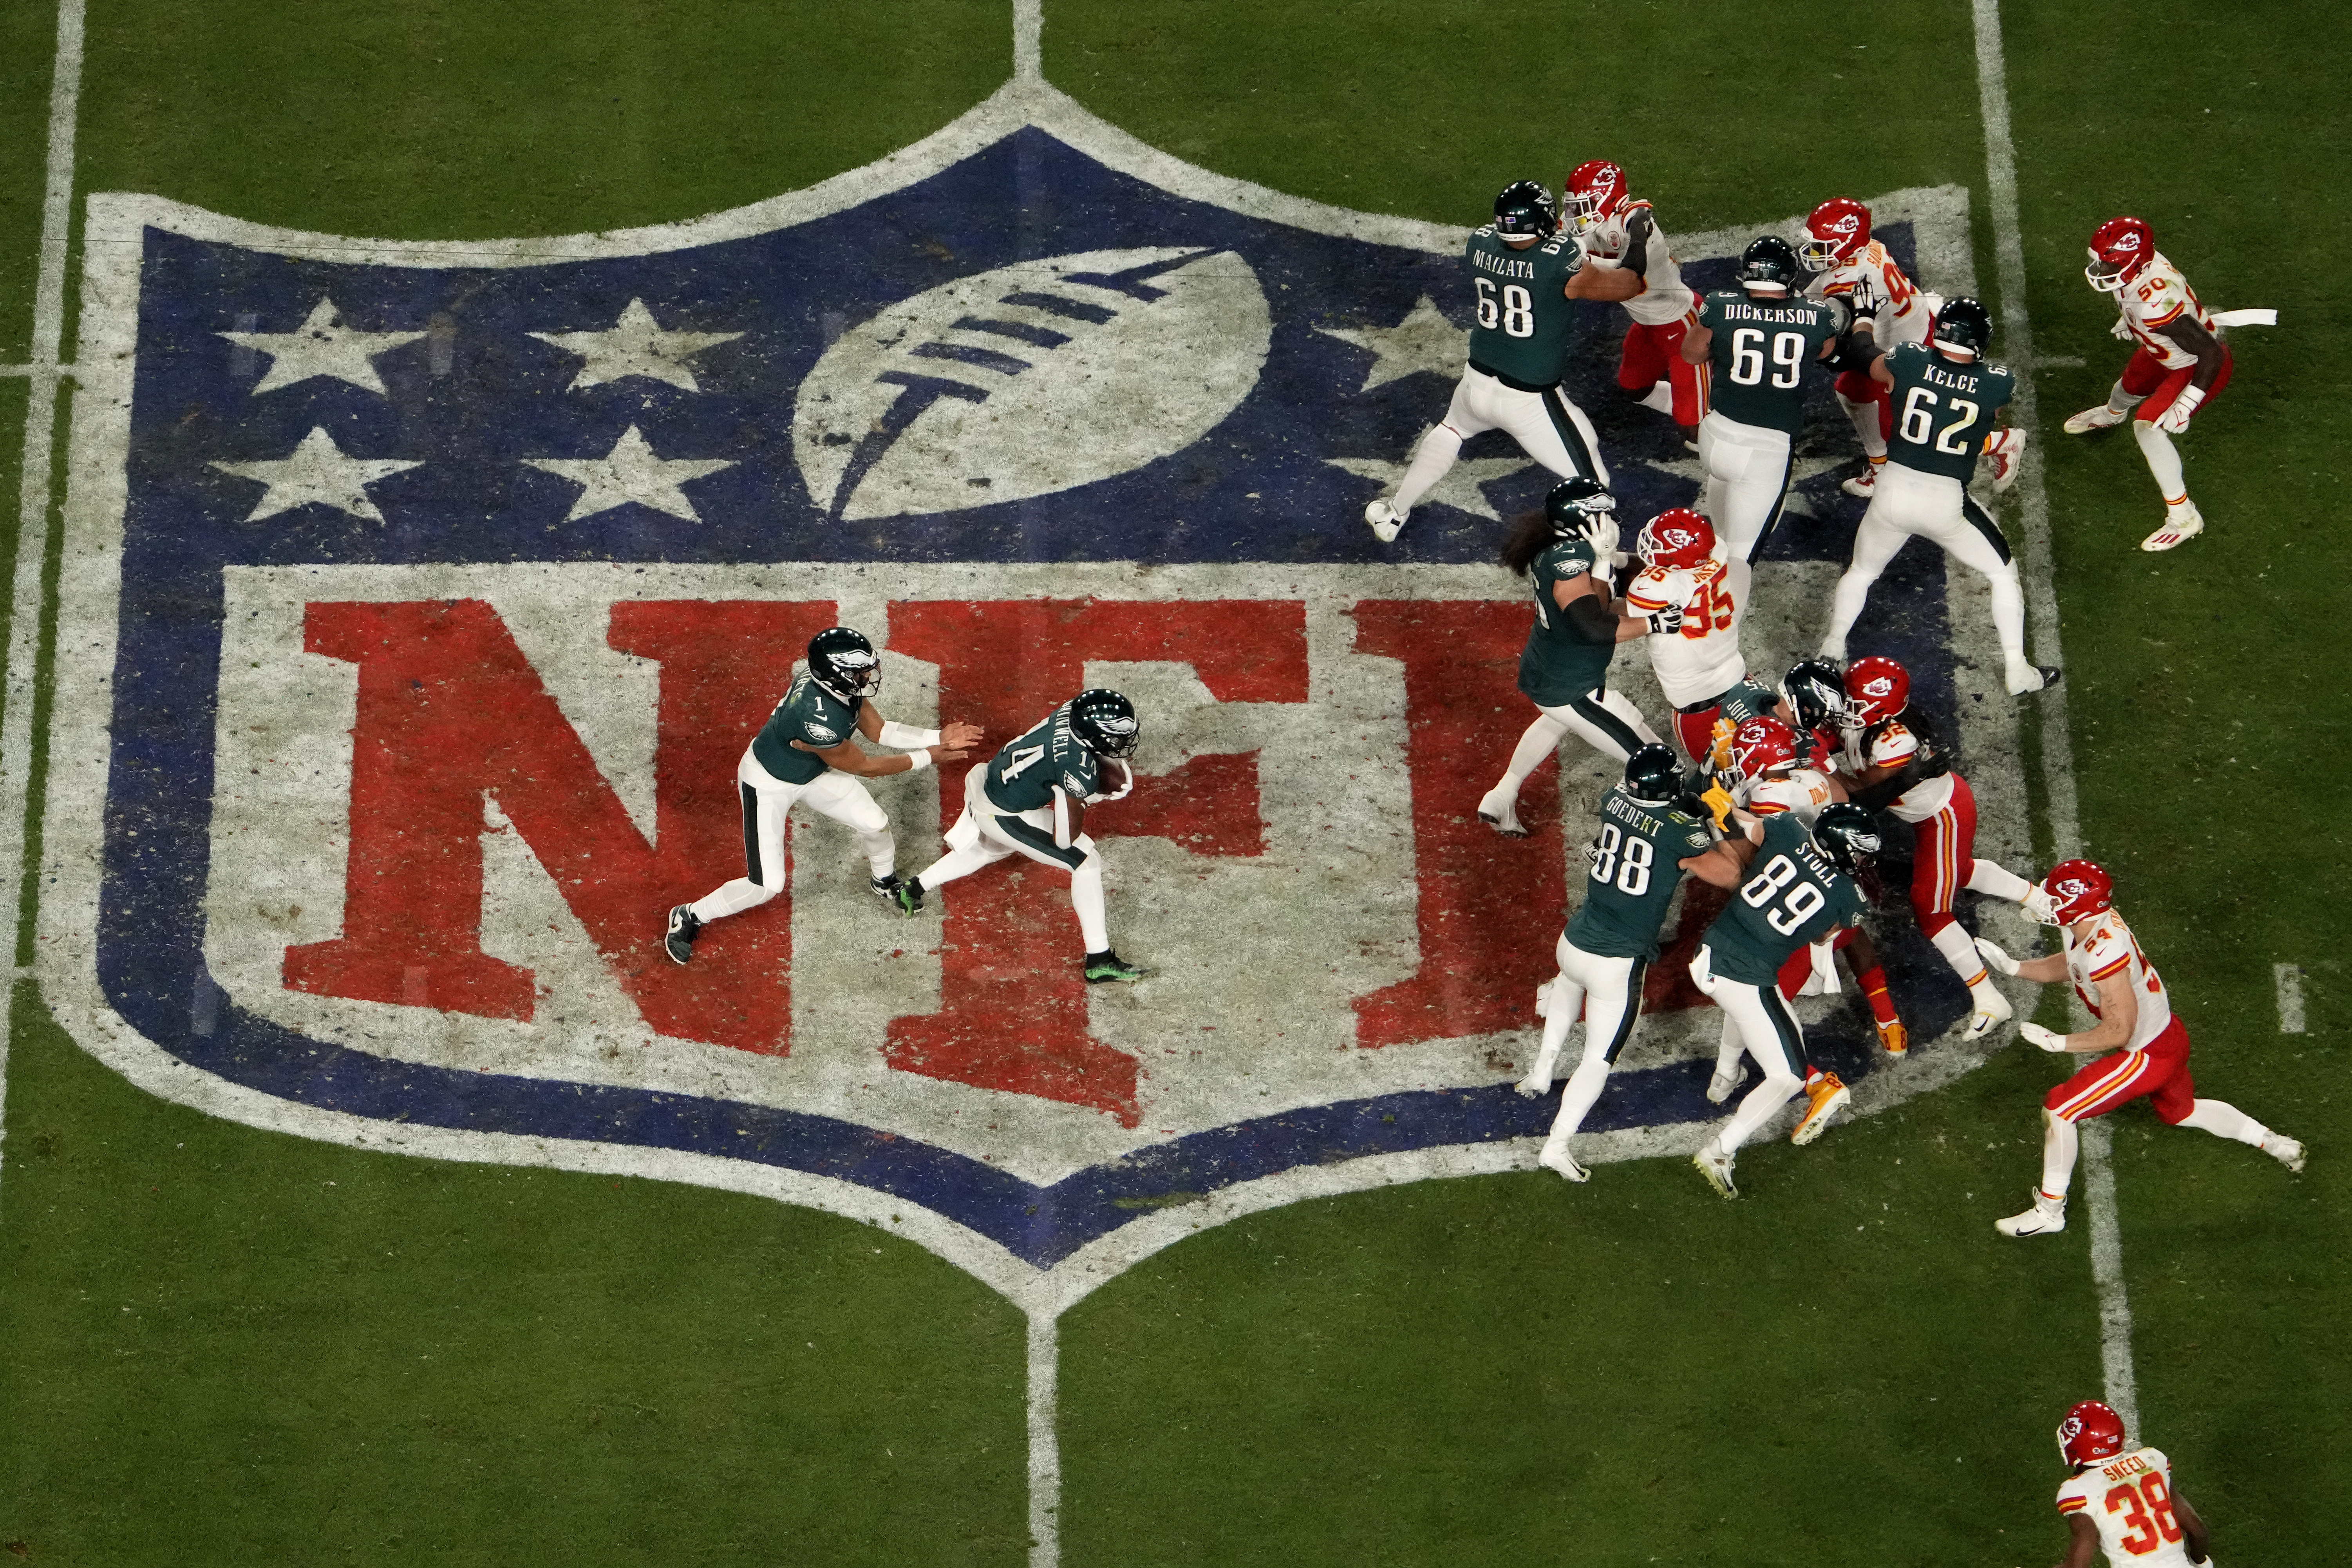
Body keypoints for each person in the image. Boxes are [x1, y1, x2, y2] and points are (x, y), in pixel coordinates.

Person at [1975, 859, 2305, 1238]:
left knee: (2060, 1108)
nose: (2044, 899)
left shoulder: (2104, 952)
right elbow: (2072, 964)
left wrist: (2059, 1043)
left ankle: (2050, 1211)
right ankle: (2275, 1143)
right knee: (2182, 1112)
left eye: (2054, 896)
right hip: (2168, 1035)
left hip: (2146, 1053)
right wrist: (2016, 968)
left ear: (2078, 905)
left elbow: (2118, 1030)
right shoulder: (2089, 923)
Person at [665, 626, 979, 965]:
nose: (866, 676)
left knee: (875, 823)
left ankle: (883, 880)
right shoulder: (818, 718)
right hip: (768, 782)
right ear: (836, 673)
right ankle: (689, 914)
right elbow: (866, 766)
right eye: (858, 671)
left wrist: (939, 737)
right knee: (766, 886)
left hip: (812, 770)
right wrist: (931, 755)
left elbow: (879, 730)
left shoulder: (833, 684)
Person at [1364, 179, 1640, 542]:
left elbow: (1524, 256)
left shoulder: (1479, 242)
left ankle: (1394, 513)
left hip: (1476, 382)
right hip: (1529, 399)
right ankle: (1604, 555)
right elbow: (1627, 285)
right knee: (1594, 482)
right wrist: (1637, 247)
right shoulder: (1557, 260)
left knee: (1450, 431)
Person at [1816, 298, 2058, 697]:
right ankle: (2017, 669)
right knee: (2001, 573)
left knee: (1860, 572)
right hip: (1944, 500)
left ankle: (1831, 647)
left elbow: (1866, 358)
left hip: (1891, 489)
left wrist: (1861, 320)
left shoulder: (1908, 359)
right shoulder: (1998, 381)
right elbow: (1985, 407)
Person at [1515, 745, 1713, 1182]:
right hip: (1616, 961)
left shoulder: (1613, 799)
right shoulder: (1680, 834)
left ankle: (1541, 1071)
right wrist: (1720, 823)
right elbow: (1726, 872)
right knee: (1598, 1059)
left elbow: (1651, 816)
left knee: (1567, 986)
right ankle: (1557, 1145)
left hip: (1573, 941)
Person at [1679, 801, 1881, 1197]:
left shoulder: (1787, 829)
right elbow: (1822, 936)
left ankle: (1723, 1078)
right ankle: (1719, 1151)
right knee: (1788, 1076)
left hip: (1710, 953)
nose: (1859, 860)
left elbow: (1744, 828)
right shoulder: (1848, 897)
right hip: (1743, 976)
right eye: (1857, 851)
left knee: (1748, 1012)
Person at [1830, 655, 2034, 1038]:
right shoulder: (1875, 722)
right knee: (1953, 871)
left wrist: (1819, 765)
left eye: (1855, 701)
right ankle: (2037, 898)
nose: (1847, 707)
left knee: (1931, 908)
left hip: (1943, 818)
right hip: (1930, 813)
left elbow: (1860, 798)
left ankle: (1989, 998)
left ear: (1880, 710)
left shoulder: (1894, 742)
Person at [892, 689, 1148, 983]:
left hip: (991, 780)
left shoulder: (1070, 711)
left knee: (987, 850)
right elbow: (1064, 838)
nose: (1121, 744)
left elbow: (1072, 751)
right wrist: (1089, 796)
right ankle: (1100, 960)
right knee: (1085, 863)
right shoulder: (1075, 768)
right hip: (1004, 813)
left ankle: (912, 889)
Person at [1477, 479, 1676, 837]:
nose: (1610, 520)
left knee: (1555, 721)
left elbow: (1604, 596)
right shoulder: (1572, 558)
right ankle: (1613, 844)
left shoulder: (1565, 547)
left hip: (1548, 667)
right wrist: (1654, 622)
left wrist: (1618, 569)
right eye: (1602, 514)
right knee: (1655, 761)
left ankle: (1502, 794)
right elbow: (1594, 627)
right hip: (1572, 685)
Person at [1708, 714, 1907, 1063]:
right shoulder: (1811, 776)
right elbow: (1844, 802)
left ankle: (1748, 1068)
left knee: (1765, 993)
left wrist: (1725, 810)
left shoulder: (1770, 795)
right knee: (1852, 934)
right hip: (1842, 872)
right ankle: (1888, 1018)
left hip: (1800, 895)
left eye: (1743, 753)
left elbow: (1755, 855)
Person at [2063, 217, 2262, 552]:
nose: (2100, 268)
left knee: (2149, 429)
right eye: (2100, 259)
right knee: (2127, 387)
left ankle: (2183, 516)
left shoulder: (2155, 304)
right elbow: (2150, 294)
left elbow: (2210, 352)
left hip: (2196, 364)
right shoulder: (2145, 268)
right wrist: (2130, 316)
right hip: (2164, 348)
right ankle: (2112, 414)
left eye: (2110, 263)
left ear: (2135, 263)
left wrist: (2186, 403)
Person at [1679, 235, 1854, 558]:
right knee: (1741, 558)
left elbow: (1690, 355)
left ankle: (1711, 566)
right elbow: (1826, 352)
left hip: (1715, 437)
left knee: (1722, 537)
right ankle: (1715, 601)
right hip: (1766, 450)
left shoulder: (1718, 304)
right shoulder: (1815, 314)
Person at [1797, 197, 1947, 497]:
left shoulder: (1848, 282)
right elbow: (1824, 285)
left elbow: (1842, 346)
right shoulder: (1870, 247)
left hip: (1902, 351)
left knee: (1857, 395)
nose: (1814, 253)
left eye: (1822, 246)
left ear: (1846, 243)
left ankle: (1882, 471)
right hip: (1921, 323)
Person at [1563, 159, 1701, 449]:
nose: (1576, 214)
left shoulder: (1634, 221)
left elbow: (1630, 274)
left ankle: (1713, 407)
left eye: (1583, 205)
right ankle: (1699, 397)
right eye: (1573, 206)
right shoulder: (1593, 221)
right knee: (1634, 388)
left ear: (1609, 197)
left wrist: (1582, 263)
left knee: (1693, 432)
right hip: (1648, 325)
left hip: (1683, 325)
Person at [1621, 507, 1750, 732]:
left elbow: (1609, 620)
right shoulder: (1717, 550)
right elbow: (1673, 569)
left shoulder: (1654, 587)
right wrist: (1620, 560)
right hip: (1736, 671)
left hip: (1696, 697)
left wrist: (1602, 569)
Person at [2049, 1401, 2214, 1568]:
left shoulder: (2078, 1490)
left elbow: (2078, 1565)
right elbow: (2196, 1530)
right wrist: (2201, 1563)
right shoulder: (2152, 1460)